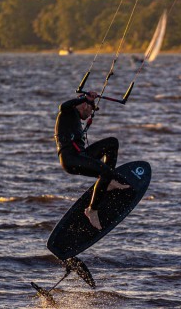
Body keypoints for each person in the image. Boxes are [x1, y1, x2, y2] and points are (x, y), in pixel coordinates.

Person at [54, 91, 131, 230]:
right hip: (71, 159)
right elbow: (62, 106)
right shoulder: (67, 112)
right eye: (91, 110)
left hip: (81, 155)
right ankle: (92, 210)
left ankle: (109, 182)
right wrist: (85, 97)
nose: (91, 114)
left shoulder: (76, 118)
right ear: (84, 105)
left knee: (112, 143)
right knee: (105, 172)